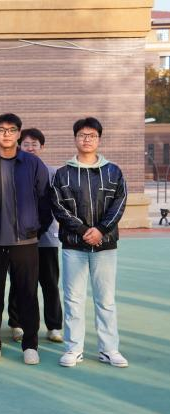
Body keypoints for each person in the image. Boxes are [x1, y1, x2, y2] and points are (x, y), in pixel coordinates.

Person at [0, 113, 52, 365]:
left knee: (27, 294)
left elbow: (45, 200)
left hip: (25, 242)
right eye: (1, 130)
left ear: (18, 133)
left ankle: (31, 345)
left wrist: (34, 230)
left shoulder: (32, 163)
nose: (6, 134)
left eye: (12, 130)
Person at [51, 117, 128, 368]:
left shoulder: (113, 171)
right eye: (82, 135)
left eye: (92, 135)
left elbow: (119, 203)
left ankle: (109, 349)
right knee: (73, 299)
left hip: (105, 246)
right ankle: (74, 349)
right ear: (75, 138)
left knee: (105, 300)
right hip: (74, 246)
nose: (87, 139)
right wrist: (85, 231)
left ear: (99, 139)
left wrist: (101, 230)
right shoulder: (63, 174)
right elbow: (59, 207)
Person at [7, 128, 63, 343]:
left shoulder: (52, 172)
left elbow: (55, 204)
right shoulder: (11, 170)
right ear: (19, 147)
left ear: (42, 147)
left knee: (50, 283)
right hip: (19, 239)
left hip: (46, 239)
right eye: (26, 144)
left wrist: (40, 229)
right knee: (19, 282)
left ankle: (54, 326)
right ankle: (17, 324)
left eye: (34, 144)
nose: (30, 148)